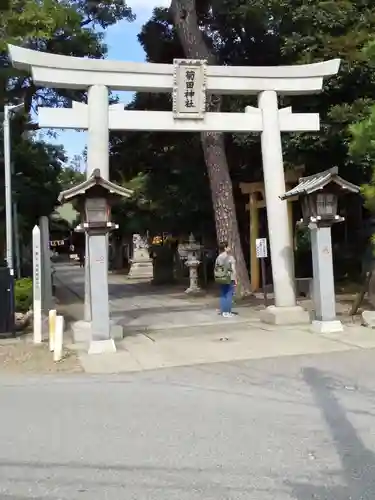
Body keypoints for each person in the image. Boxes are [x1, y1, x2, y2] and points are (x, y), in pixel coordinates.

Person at [214, 241, 237, 318]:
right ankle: (227, 311)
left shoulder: (218, 257)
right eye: (228, 246)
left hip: (221, 277)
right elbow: (233, 269)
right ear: (225, 248)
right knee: (229, 294)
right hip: (229, 277)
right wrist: (235, 278)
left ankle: (223, 311)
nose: (229, 248)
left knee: (223, 294)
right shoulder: (230, 257)